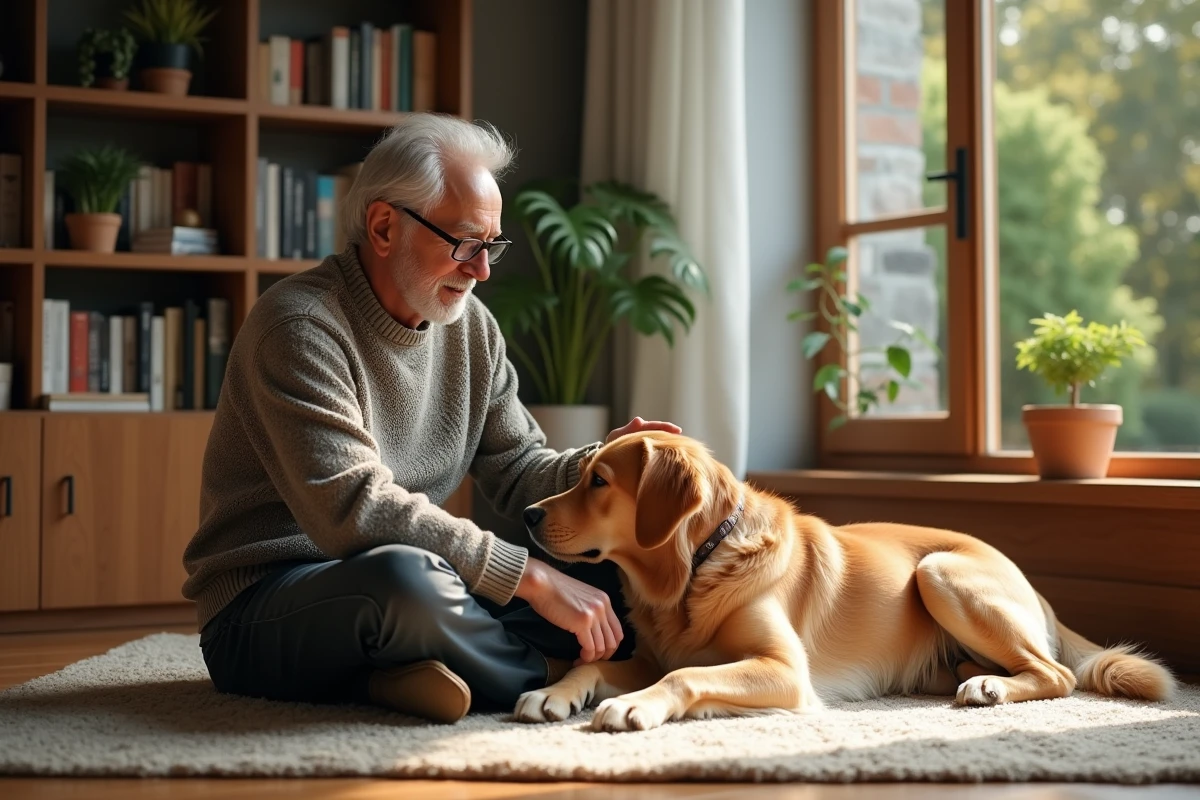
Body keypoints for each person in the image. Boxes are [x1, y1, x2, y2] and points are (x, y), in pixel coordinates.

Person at [181, 113, 680, 724]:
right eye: (465, 243)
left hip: (414, 585)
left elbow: (520, 465)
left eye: (491, 246)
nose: (483, 270)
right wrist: (534, 581)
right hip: (265, 608)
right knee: (407, 583)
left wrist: (600, 464)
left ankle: (403, 675)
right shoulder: (299, 328)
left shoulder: (471, 328)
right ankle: (556, 675)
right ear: (385, 226)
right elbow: (356, 510)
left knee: (619, 588)